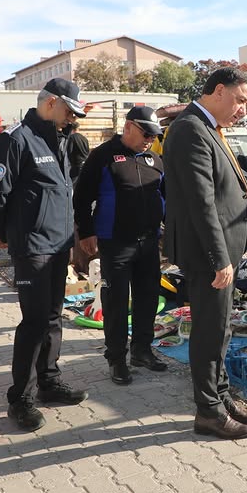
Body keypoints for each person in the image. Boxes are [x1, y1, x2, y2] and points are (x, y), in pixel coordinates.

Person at [0, 78, 90, 432]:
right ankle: (21, 398)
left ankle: (49, 381)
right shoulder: (15, 139)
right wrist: (6, 234)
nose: (70, 119)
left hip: (57, 244)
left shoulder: (57, 138)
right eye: (68, 111)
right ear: (51, 103)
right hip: (33, 247)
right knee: (33, 322)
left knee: (53, 317)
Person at [163, 67, 247, 440]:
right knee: (208, 331)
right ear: (219, 91)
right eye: (239, 101)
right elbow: (201, 202)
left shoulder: (206, 127)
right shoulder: (190, 129)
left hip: (221, 251)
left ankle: (220, 396)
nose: (243, 110)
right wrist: (220, 258)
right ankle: (208, 413)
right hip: (208, 255)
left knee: (221, 328)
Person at [73, 106, 167, 386]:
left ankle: (142, 351)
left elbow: (166, 197)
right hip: (115, 242)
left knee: (148, 298)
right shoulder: (102, 156)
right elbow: (81, 197)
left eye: (154, 135)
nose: (150, 139)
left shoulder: (155, 160)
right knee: (115, 303)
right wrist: (86, 232)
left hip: (149, 241)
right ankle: (116, 359)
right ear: (129, 127)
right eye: (146, 134)